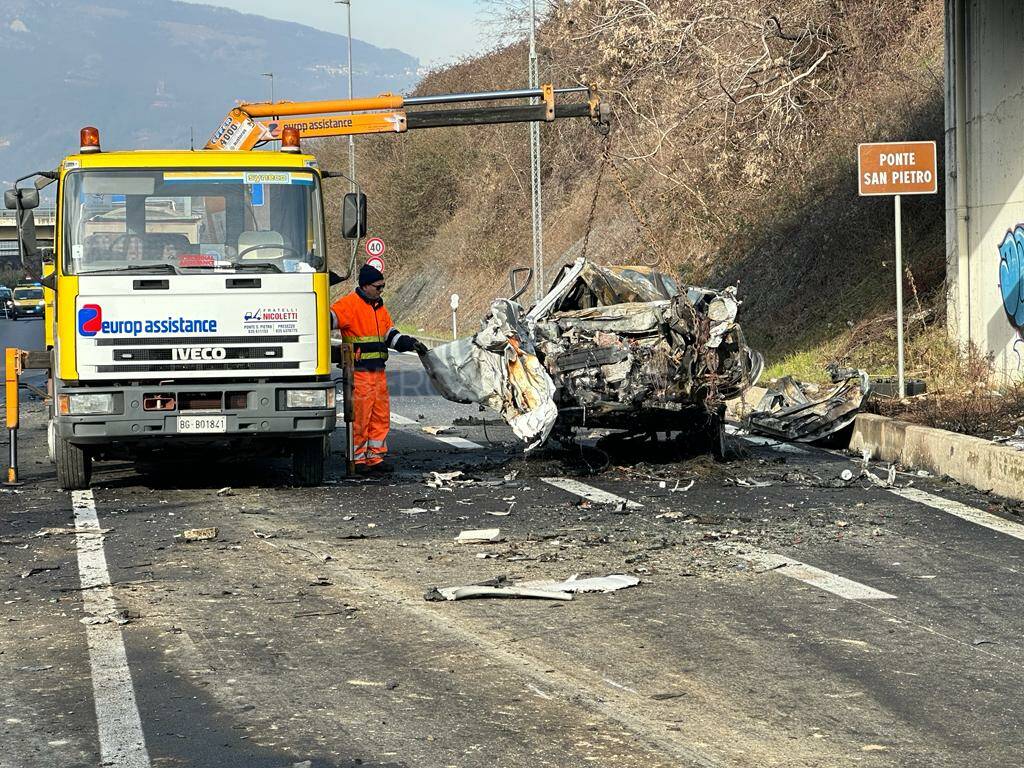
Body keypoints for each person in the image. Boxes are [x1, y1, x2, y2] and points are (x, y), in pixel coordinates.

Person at [330, 262, 427, 473]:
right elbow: (327, 320)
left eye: (383, 286)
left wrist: (407, 342)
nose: (381, 290)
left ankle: (375, 457)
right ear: (365, 286)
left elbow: (389, 335)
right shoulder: (348, 305)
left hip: (378, 372)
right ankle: (357, 459)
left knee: (380, 416)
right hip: (359, 372)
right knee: (360, 418)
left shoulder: (379, 307)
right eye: (378, 287)